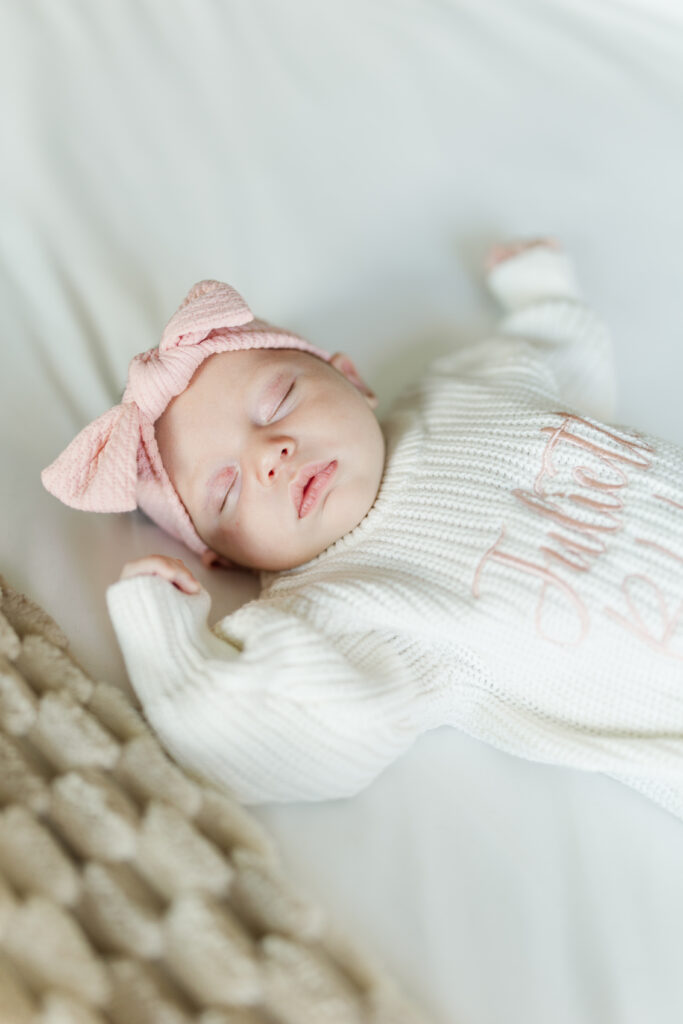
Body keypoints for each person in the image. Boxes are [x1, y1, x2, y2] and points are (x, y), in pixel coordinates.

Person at [41, 239, 683, 814]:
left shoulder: (461, 387)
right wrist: (168, 639)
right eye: (228, 490)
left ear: (351, 379)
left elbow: (558, 370)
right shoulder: (342, 608)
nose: (270, 455)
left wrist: (545, 300)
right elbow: (269, 733)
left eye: (277, 401)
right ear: (227, 561)